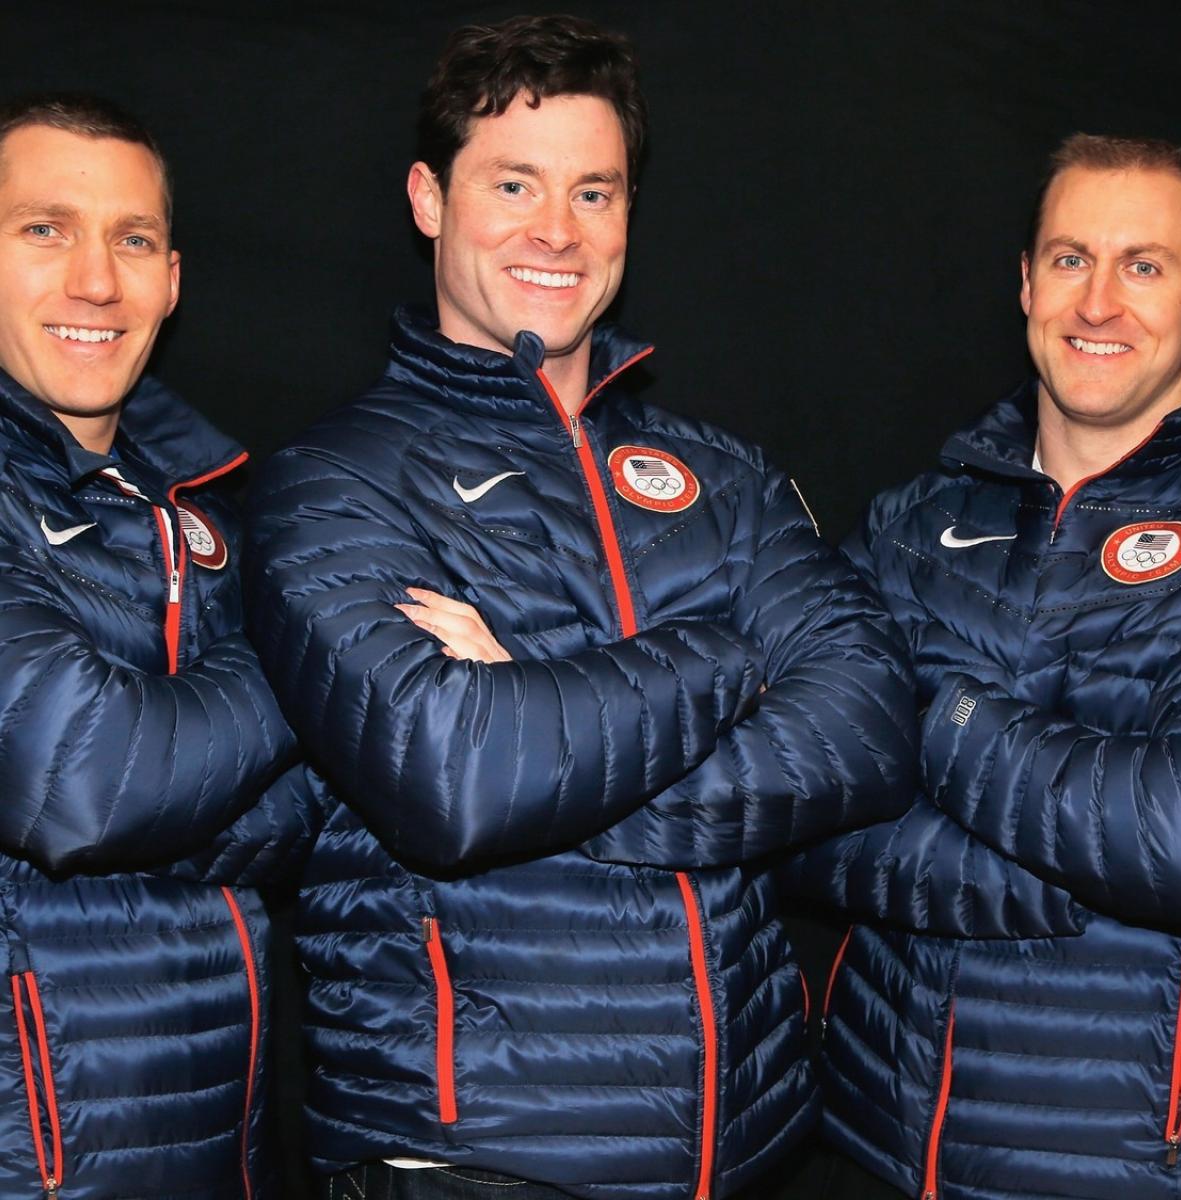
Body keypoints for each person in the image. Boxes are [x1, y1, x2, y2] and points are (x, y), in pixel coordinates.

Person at [243, 15, 914, 1199]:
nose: (556, 229)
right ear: (428, 199)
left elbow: (867, 724)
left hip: (742, 1148)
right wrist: (723, 659)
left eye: (592, 193)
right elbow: (454, 778)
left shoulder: (721, 474)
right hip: (480, 1159)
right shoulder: (335, 482)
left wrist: (542, 716)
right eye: (514, 184)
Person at [784, 134, 1181, 1198]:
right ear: (1025, 281)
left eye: (1143, 265)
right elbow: (792, 800)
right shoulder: (913, 526)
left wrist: (945, 719)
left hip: (1149, 1164)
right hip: (884, 1143)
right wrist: (1048, 875)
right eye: (1070, 259)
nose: (1098, 302)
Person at [0, 93, 314, 1198]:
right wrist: (303, 650)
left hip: (216, 1144)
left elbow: (319, 809)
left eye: (131, 241)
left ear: (172, 281)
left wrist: (169, 785)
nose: (96, 280)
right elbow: (84, 775)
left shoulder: (212, 505)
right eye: (45, 230)